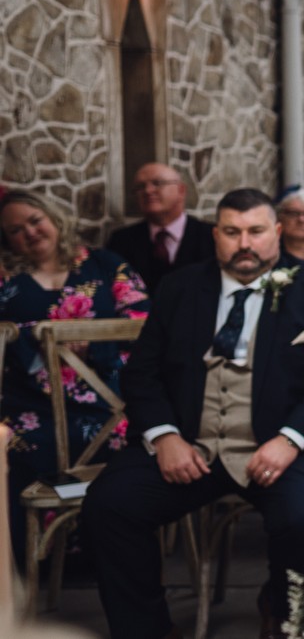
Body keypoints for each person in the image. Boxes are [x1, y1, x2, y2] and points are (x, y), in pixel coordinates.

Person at [81, 188, 304, 639]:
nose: (244, 243)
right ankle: (145, 629)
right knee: (109, 505)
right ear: (216, 236)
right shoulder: (179, 287)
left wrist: (290, 439)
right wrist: (165, 436)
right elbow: (143, 374)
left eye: (255, 231)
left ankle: (278, 603)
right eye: (232, 232)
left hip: (286, 447)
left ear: (277, 232)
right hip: (192, 444)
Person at [0, 191, 150, 555]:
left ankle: (103, 548)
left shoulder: (103, 264)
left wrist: (96, 341)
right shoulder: (7, 280)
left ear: (53, 218)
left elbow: (143, 321)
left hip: (108, 401)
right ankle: (28, 560)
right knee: (13, 446)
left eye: (36, 221)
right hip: (31, 403)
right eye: (17, 230)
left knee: (123, 442)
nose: (30, 233)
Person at [106, 162, 214, 294]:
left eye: (157, 183)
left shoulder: (212, 237)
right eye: (140, 186)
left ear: (181, 190)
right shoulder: (121, 241)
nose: (148, 191)